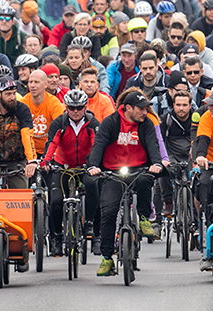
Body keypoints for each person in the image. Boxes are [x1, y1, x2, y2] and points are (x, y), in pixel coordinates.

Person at [87, 90, 164, 276]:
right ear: (128, 108)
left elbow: (153, 145)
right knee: (109, 212)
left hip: (139, 170)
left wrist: (156, 163)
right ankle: (107, 258)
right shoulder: (111, 122)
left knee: (147, 181)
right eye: (141, 109)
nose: (145, 113)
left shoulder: (146, 124)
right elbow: (99, 144)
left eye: (147, 109)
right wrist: (93, 166)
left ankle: (144, 218)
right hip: (114, 173)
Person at [41, 87, 99, 257]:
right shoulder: (59, 123)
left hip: (85, 166)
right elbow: (52, 143)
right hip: (62, 166)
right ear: (65, 107)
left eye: (79, 108)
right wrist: (46, 161)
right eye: (71, 108)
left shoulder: (93, 124)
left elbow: (97, 146)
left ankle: (90, 224)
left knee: (93, 186)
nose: (75, 111)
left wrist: (94, 164)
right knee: (56, 200)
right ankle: (57, 238)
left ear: (85, 107)